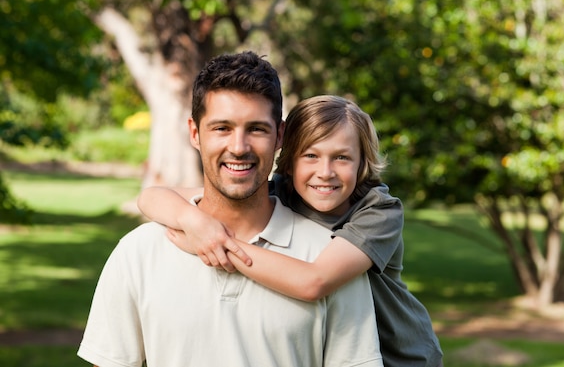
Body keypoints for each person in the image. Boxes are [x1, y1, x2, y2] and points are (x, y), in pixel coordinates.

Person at [77, 52, 383, 367]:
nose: (238, 147)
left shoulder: (331, 259)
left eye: (256, 129)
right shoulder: (138, 252)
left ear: (279, 135)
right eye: (222, 128)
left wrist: (220, 244)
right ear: (195, 133)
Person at [138, 95, 444, 367]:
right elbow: (151, 197)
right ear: (289, 160)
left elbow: (314, 281)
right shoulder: (283, 193)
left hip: (402, 358)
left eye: (342, 157)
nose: (325, 172)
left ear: (363, 161)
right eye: (310, 156)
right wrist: (194, 222)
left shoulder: (378, 211)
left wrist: (216, 245)